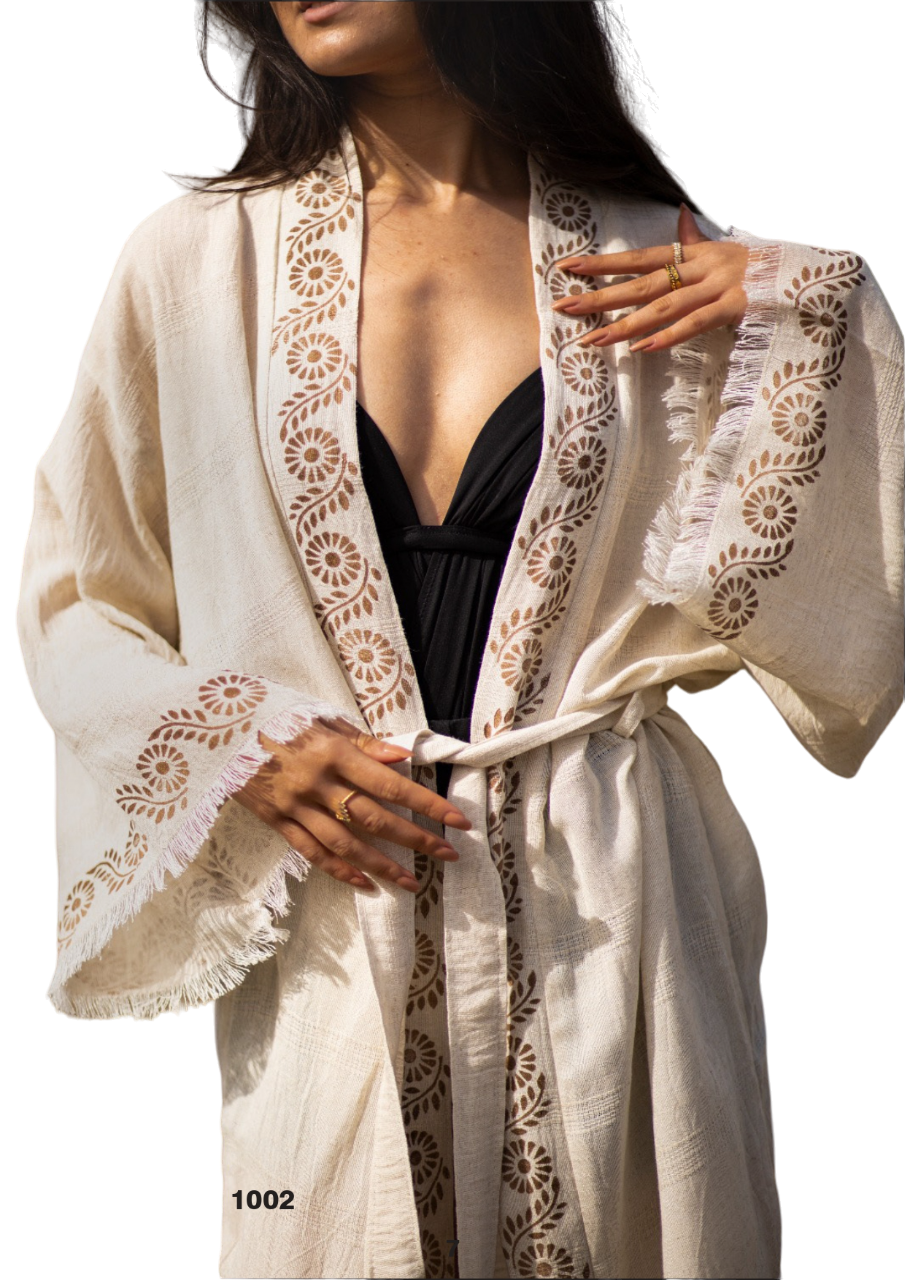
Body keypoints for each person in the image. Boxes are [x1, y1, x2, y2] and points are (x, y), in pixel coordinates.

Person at [17, 3, 902, 1278]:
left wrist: (817, 308)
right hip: (339, 921)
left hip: (621, 907)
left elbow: (847, 646)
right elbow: (74, 592)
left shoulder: (661, 260)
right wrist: (245, 745)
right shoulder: (196, 262)